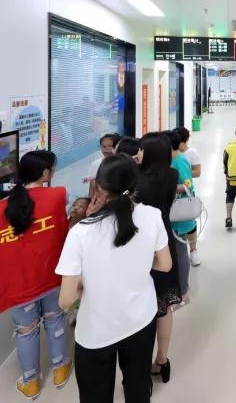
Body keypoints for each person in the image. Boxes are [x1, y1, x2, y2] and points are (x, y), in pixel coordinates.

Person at [56, 155, 172, 403]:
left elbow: (65, 300)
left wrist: (88, 283)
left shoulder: (81, 233)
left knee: (96, 395)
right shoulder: (152, 215)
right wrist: (140, 262)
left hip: (97, 332)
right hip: (141, 320)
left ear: (98, 187)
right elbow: (165, 264)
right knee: (138, 386)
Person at [1, 151, 72, 399]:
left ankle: (30, 382)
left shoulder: (3, 208)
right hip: (52, 277)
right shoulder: (58, 195)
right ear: (45, 173)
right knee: (56, 320)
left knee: (26, 331)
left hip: (19, 285)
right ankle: (61, 369)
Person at [134, 132, 181, 384]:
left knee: (141, 305)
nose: (137, 154)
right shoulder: (171, 175)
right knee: (163, 305)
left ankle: (138, 366)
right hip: (163, 240)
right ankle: (162, 359)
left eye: (141, 150)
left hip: (140, 243)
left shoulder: (137, 181)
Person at [167, 130, 196, 293]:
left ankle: (183, 288)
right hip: (172, 209)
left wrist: (168, 185)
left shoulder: (180, 160)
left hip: (180, 210)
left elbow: (188, 185)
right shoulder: (171, 159)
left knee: (180, 250)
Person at [175, 127, 202, 267]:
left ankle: (193, 250)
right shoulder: (172, 155)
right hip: (173, 195)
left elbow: (197, 172)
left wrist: (184, 171)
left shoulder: (191, 153)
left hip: (187, 193)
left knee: (190, 222)